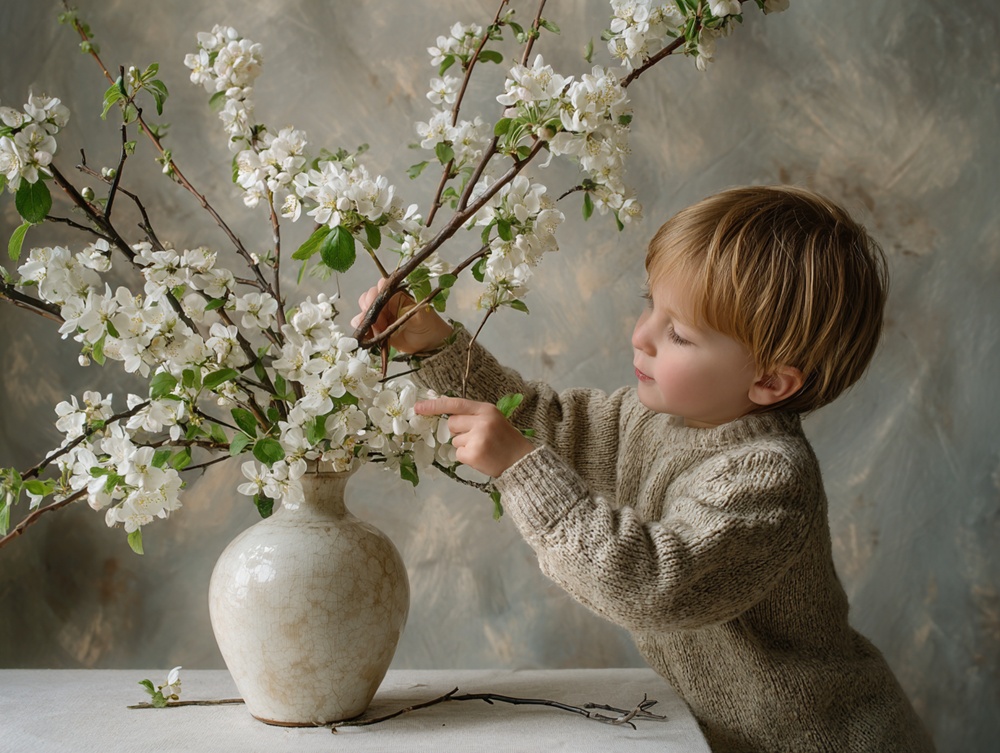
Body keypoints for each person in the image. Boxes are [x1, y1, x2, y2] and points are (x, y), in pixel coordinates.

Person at [352, 185, 936, 752]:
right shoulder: (654, 419)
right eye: (649, 304)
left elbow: (651, 584)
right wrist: (437, 346)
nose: (641, 336)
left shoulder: (769, 480)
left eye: (678, 333)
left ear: (769, 381)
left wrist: (522, 469)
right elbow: (540, 421)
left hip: (819, 738)